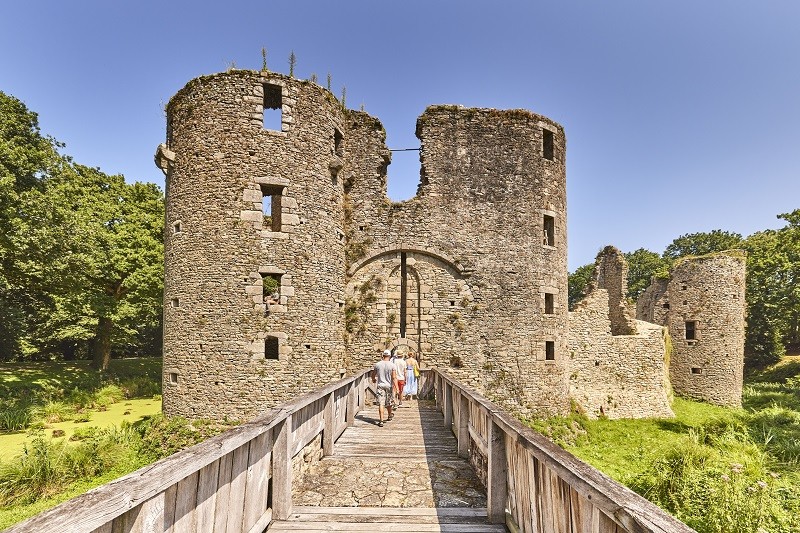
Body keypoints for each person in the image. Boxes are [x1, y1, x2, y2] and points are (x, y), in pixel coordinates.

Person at [371, 349, 395, 426]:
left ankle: (381, 420)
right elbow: (394, 377)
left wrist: (374, 379)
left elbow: (373, 374)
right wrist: (396, 387)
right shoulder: (392, 365)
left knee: (381, 403)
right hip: (389, 386)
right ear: (390, 356)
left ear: (383, 355)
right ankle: (389, 415)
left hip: (380, 386)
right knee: (389, 402)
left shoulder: (377, 364)